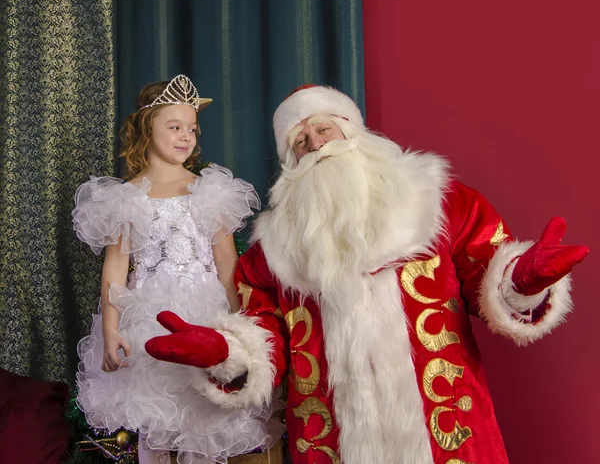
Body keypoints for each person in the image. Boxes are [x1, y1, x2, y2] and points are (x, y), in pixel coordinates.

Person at [145, 85, 589, 464]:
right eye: (299, 142)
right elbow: (266, 335)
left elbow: (484, 275)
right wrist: (224, 352)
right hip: (333, 438)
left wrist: (522, 282)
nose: (315, 145)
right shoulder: (270, 254)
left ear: (354, 133)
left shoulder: (439, 201)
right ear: (290, 164)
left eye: (323, 130)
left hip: (446, 430)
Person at [72, 75, 279, 464]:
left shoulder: (209, 190)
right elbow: (116, 270)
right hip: (147, 318)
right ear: (147, 129)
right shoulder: (126, 197)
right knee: (154, 422)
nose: (187, 137)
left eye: (192, 129)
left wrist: (240, 328)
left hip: (205, 316)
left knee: (204, 415)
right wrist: (112, 329)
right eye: (175, 126)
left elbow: (226, 264)